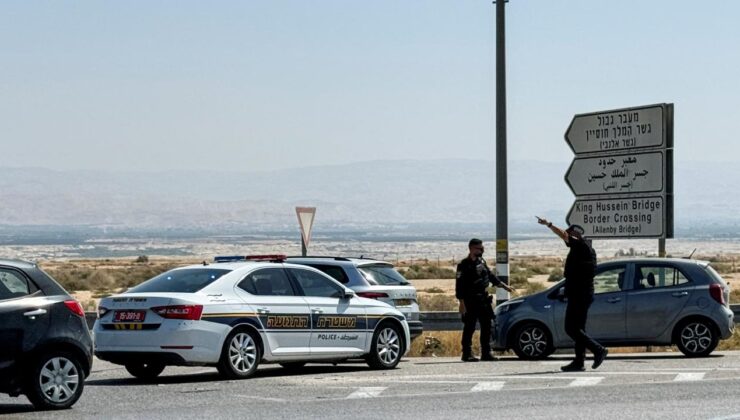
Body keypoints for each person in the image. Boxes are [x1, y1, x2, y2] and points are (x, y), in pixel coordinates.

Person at [536, 217, 608, 371]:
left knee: (571, 328)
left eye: (570, 234)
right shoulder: (586, 248)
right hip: (583, 294)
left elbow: (565, 236)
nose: (567, 238)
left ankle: (598, 350)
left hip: (579, 294)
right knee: (579, 329)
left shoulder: (581, 245)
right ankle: (579, 362)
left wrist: (549, 224)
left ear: (576, 234)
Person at [456, 238, 515, 362]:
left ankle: (486, 353)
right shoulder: (463, 265)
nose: (481, 250)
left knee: (487, 326)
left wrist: (505, 286)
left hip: (483, 299)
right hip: (469, 300)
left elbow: (491, 276)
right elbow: (459, 285)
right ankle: (467, 353)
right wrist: (461, 303)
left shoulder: (481, 262)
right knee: (469, 327)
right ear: (471, 248)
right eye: (479, 248)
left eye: (482, 248)